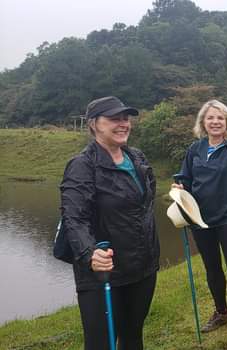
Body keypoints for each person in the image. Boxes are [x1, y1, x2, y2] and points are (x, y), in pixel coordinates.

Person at [60, 96, 159, 349]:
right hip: (103, 271)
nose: (123, 123)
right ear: (94, 124)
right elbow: (74, 218)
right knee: (100, 343)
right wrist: (89, 252)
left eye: (126, 118)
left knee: (133, 335)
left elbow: (146, 203)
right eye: (114, 118)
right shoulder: (82, 165)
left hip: (143, 267)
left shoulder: (137, 157)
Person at [172, 100, 227, 341]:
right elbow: (187, 178)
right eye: (210, 118)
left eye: (220, 118)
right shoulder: (196, 149)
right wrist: (180, 186)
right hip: (200, 217)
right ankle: (221, 311)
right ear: (203, 122)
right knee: (212, 267)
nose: (215, 122)